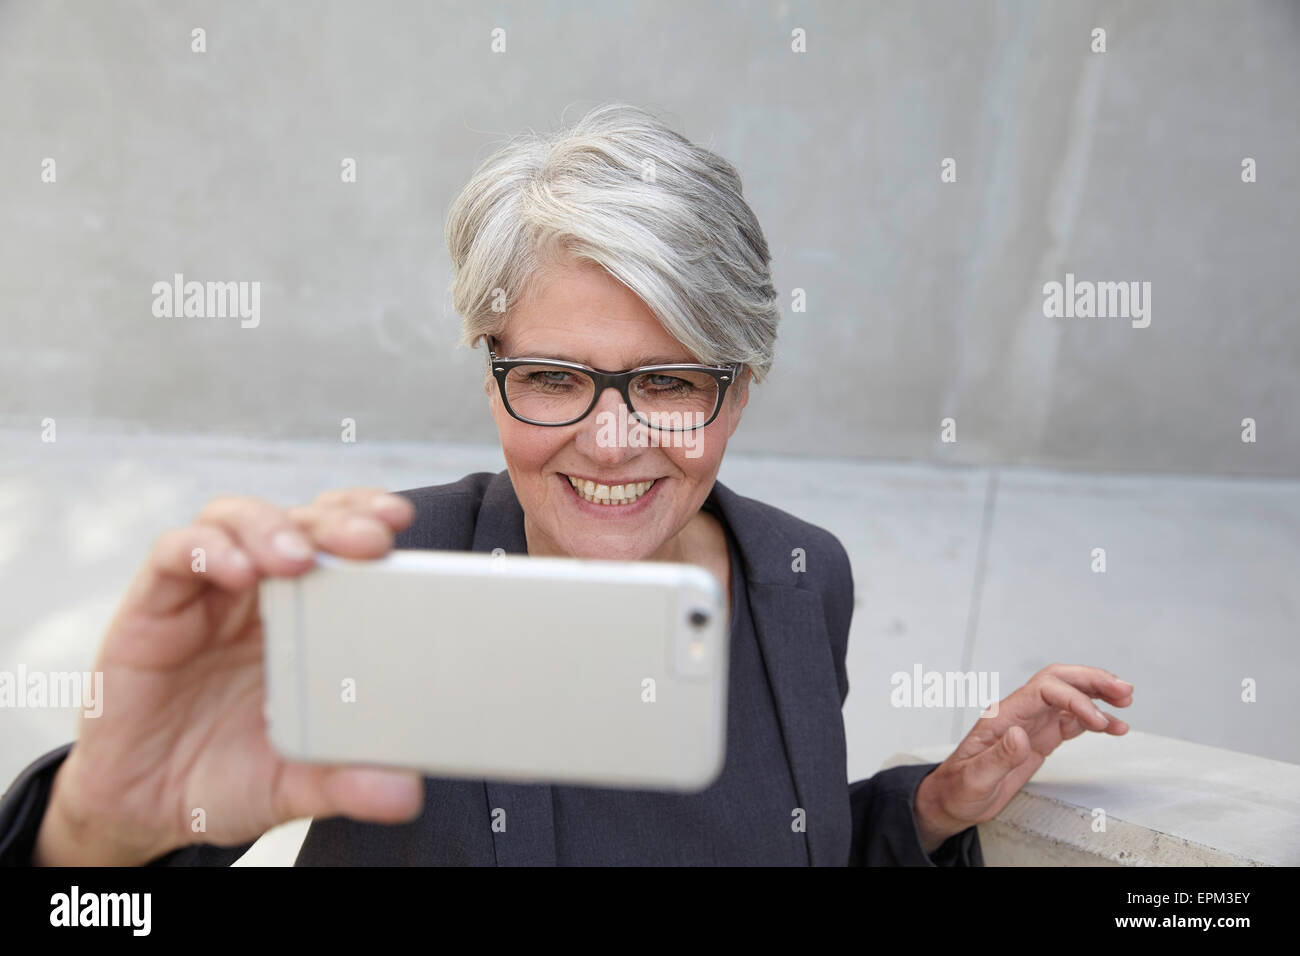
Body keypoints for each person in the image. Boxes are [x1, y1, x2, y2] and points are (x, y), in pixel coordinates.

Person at [0, 103, 1133, 866]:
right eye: (552, 375)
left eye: (668, 379)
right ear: (491, 366)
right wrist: (97, 823)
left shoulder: (799, 573)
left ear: (740, 386)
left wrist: (925, 809)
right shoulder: (379, 576)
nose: (608, 439)